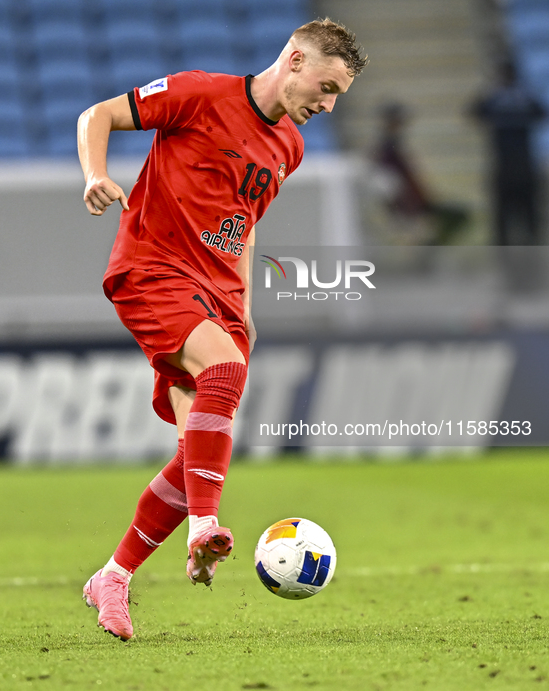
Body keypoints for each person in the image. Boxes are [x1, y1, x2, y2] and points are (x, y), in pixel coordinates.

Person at [77, 17, 366, 641]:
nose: (327, 104)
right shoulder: (198, 94)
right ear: (293, 60)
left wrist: (246, 308)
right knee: (226, 375)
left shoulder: (290, 145)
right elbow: (96, 114)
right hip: (151, 268)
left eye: (337, 95)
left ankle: (114, 577)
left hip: (218, 290)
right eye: (325, 86)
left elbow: (245, 222)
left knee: (193, 453)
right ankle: (203, 529)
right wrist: (95, 174)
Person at [470, 59, 546, 245]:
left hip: (520, 165)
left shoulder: (520, 97)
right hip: (508, 165)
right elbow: (475, 112)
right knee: (505, 217)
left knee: (527, 215)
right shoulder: (500, 97)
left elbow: (541, 112)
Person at [373, 102, 470, 245]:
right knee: (457, 217)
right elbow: (392, 186)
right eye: (399, 120)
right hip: (409, 207)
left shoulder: (394, 146)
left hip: (418, 204)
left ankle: (431, 249)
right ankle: (429, 251)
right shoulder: (387, 150)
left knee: (457, 216)